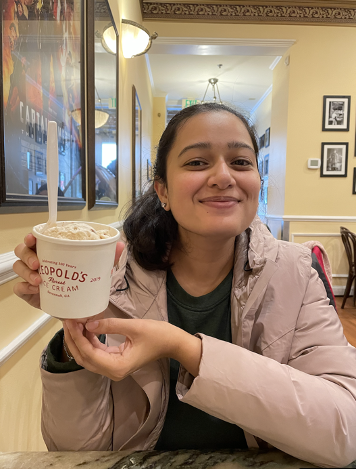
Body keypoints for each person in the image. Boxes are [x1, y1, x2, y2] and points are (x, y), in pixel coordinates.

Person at [13, 103, 356, 467]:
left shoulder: (295, 272)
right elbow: (79, 453)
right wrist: (75, 324)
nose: (224, 176)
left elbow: (345, 431)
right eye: (197, 162)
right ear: (162, 190)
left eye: (241, 162)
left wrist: (184, 348)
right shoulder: (112, 278)